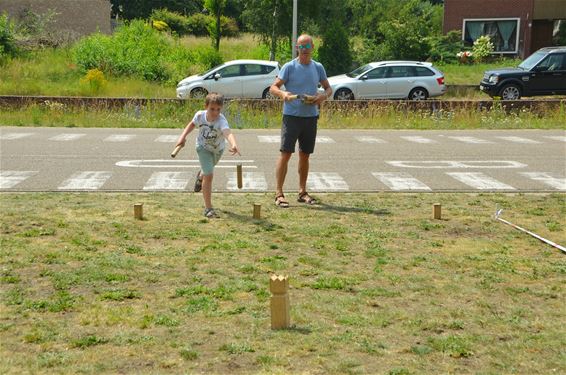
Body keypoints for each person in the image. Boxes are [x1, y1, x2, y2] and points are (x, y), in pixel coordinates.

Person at [269, 34, 332, 208]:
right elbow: (273, 87)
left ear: (312, 47)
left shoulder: (318, 67)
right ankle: (279, 193)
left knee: (305, 155)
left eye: (306, 46)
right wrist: (283, 94)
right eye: (300, 47)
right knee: (286, 153)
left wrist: (322, 97)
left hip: (310, 117)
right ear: (297, 48)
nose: (303, 50)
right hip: (291, 117)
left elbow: (329, 89)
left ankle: (302, 192)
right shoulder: (289, 67)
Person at [174, 93, 240, 218]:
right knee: (209, 175)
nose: (215, 112)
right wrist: (182, 137)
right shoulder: (200, 115)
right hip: (202, 147)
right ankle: (208, 208)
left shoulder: (221, 120)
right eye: (212, 109)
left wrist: (234, 144)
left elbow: (227, 132)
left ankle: (200, 176)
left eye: (218, 109)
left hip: (217, 150)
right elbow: (192, 124)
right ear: (206, 106)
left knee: (206, 172)